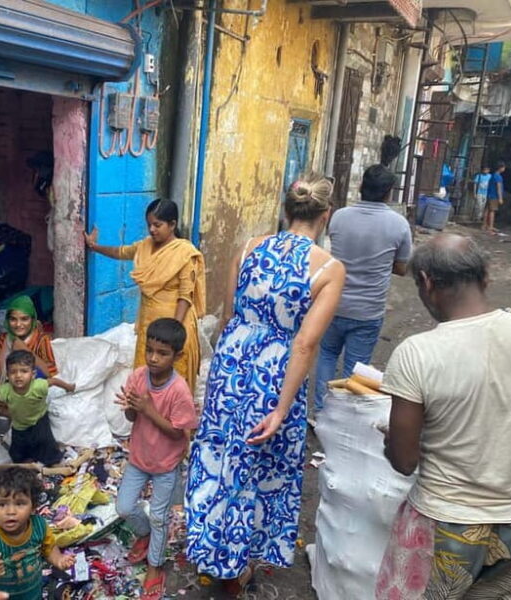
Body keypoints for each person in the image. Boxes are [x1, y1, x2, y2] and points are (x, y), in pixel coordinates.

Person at [185, 173, 345, 595]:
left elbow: (230, 314)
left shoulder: (249, 248)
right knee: (261, 464)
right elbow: (305, 344)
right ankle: (240, 563)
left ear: (285, 210)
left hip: (231, 363)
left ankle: (215, 552)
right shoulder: (329, 269)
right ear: (326, 215)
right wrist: (282, 408)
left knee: (222, 456)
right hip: (275, 375)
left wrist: (219, 378)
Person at [376, 233, 511, 599]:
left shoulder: (417, 353)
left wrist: (393, 440)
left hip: (445, 522)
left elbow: (404, 462)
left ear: (426, 282)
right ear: (486, 276)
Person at [313, 165, 411, 416]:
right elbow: (402, 268)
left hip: (333, 303)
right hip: (368, 310)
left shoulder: (339, 217)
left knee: (327, 355)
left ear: (361, 187)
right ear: (389, 192)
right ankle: (342, 415)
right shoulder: (399, 224)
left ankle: (321, 411)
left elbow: (337, 249)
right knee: (355, 366)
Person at [115, 318, 198, 600]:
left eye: (162, 353)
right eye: (149, 350)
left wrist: (149, 410)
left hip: (165, 465)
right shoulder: (138, 377)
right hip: (139, 457)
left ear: (177, 356)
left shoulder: (179, 390)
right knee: (124, 508)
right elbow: (131, 417)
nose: (153, 358)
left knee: (160, 517)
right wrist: (131, 407)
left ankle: (155, 565)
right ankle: (146, 534)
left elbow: (178, 432)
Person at [84, 199, 206, 391]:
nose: (152, 230)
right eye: (149, 225)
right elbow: (121, 252)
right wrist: (94, 247)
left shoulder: (184, 253)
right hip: (149, 325)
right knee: (146, 380)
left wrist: (173, 334)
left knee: (171, 386)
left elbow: (185, 296)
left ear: (172, 224)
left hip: (175, 324)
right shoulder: (145, 246)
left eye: (157, 225)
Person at [0, 468, 75, 599]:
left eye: (20, 503)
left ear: (33, 507)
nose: (10, 511)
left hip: (35, 595)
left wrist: (59, 560)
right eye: (2, 504)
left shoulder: (39, 526)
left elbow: (49, 548)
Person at [0, 350, 63, 466]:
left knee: (46, 444)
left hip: (39, 420)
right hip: (19, 425)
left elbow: (54, 381)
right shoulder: (6, 390)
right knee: (17, 451)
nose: (18, 375)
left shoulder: (38, 386)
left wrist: (70, 387)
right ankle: (26, 463)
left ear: (33, 374)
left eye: (24, 371)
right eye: (13, 372)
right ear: (7, 375)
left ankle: (52, 463)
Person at [0, 294, 74, 396]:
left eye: (24, 319)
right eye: (13, 319)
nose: (18, 324)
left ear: (33, 320)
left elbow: (50, 373)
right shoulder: (2, 338)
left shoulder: (42, 340)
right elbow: (0, 375)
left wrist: (22, 348)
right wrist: (8, 343)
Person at [483, 161, 506, 233]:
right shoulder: (498, 177)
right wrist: (500, 198)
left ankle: (485, 225)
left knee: (487, 210)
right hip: (494, 196)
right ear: (500, 168)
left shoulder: (492, 175)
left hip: (489, 195)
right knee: (492, 211)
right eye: (503, 167)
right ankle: (490, 227)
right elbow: (499, 188)